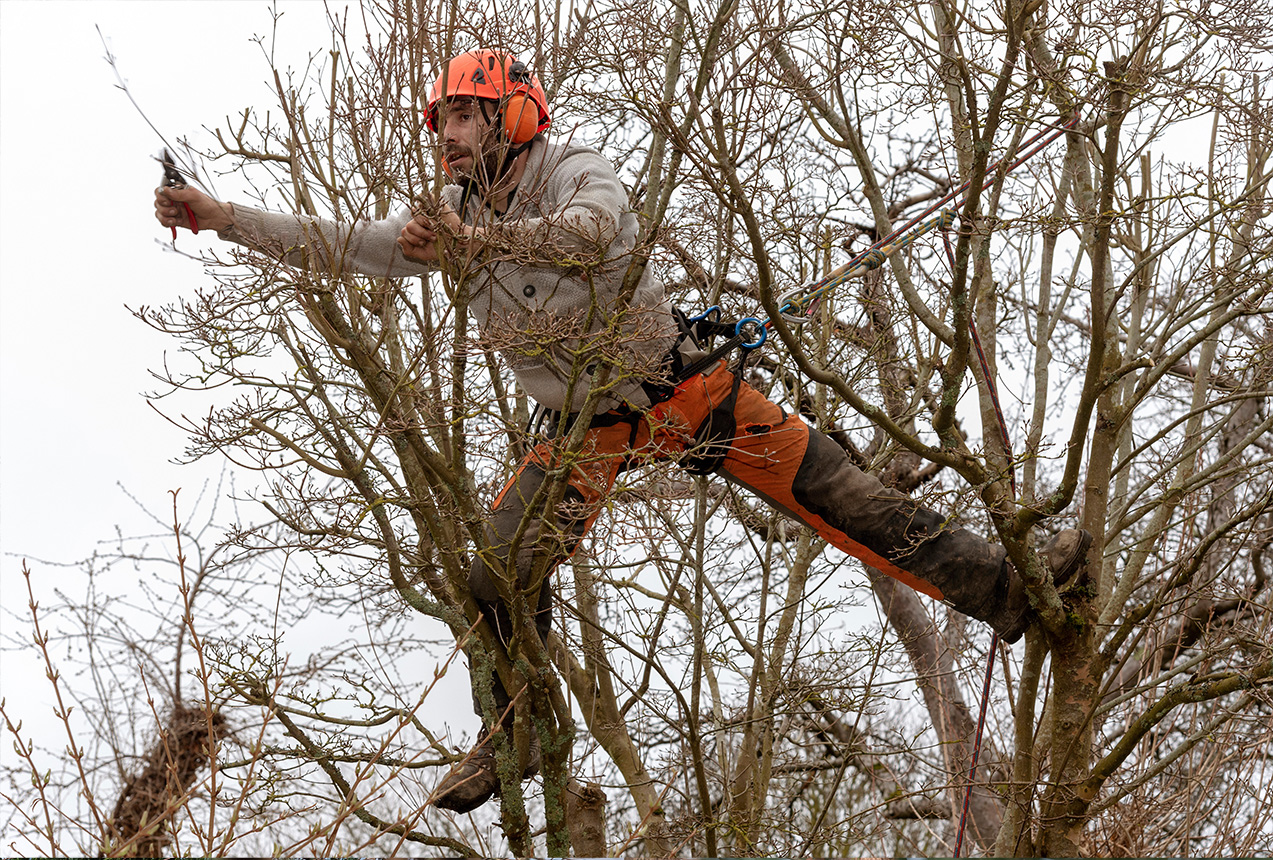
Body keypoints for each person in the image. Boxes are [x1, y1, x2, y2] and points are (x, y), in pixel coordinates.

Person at [154, 49, 1092, 814]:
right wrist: (219, 215)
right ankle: (518, 733)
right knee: (495, 572)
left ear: (512, 116)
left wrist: (478, 247)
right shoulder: (449, 218)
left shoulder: (572, 168)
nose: (446, 133)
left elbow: (594, 233)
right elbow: (338, 242)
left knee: (849, 502)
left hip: (682, 391)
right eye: (440, 118)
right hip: (579, 432)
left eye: (464, 115)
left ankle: (1013, 590)